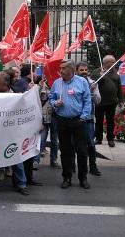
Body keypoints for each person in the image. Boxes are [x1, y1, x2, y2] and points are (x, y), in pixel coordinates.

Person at [0, 72, 30, 196]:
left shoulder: (18, 94)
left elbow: (29, 108)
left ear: (6, 84)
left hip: (13, 133)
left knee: (16, 159)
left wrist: (33, 92)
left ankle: (21, 184)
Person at [49, 60, 92, 190]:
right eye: (60, 68)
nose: (61, 71)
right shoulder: (57, 83)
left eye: (63, 68)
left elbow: (87, 101)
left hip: (79, 121)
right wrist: (56, 103)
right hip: (62, 120)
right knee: (65, 151)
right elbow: (51, 98)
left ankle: (83, 178)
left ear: (72, 69)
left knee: (82, 151)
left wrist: (83, 117)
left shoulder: (82, 82)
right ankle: (66, 177)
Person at [76, 62, 102, 176]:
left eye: (86, 70)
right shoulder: (73, 83)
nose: (84, 72)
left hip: (89, 119)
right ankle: (72, 166)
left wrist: (92, 91)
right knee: (74, 143)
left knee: (90, 143)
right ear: (76, 71)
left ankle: (93, 166)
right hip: (76, 118)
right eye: (81, 70)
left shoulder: (93, 83)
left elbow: (98, 101)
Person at [94, 55, 122, 147]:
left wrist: (120, 99)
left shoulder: (115, 73)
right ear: (106, 63)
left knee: (110, 121)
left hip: (112, 101)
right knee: (99, 120)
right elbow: (93, 85)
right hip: (100, 101)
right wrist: (101, 77)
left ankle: (110, 139)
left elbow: (119, 87)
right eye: (112, 62)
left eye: (114, 62)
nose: (114, 64)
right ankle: (98, 138)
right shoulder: (97, 72)